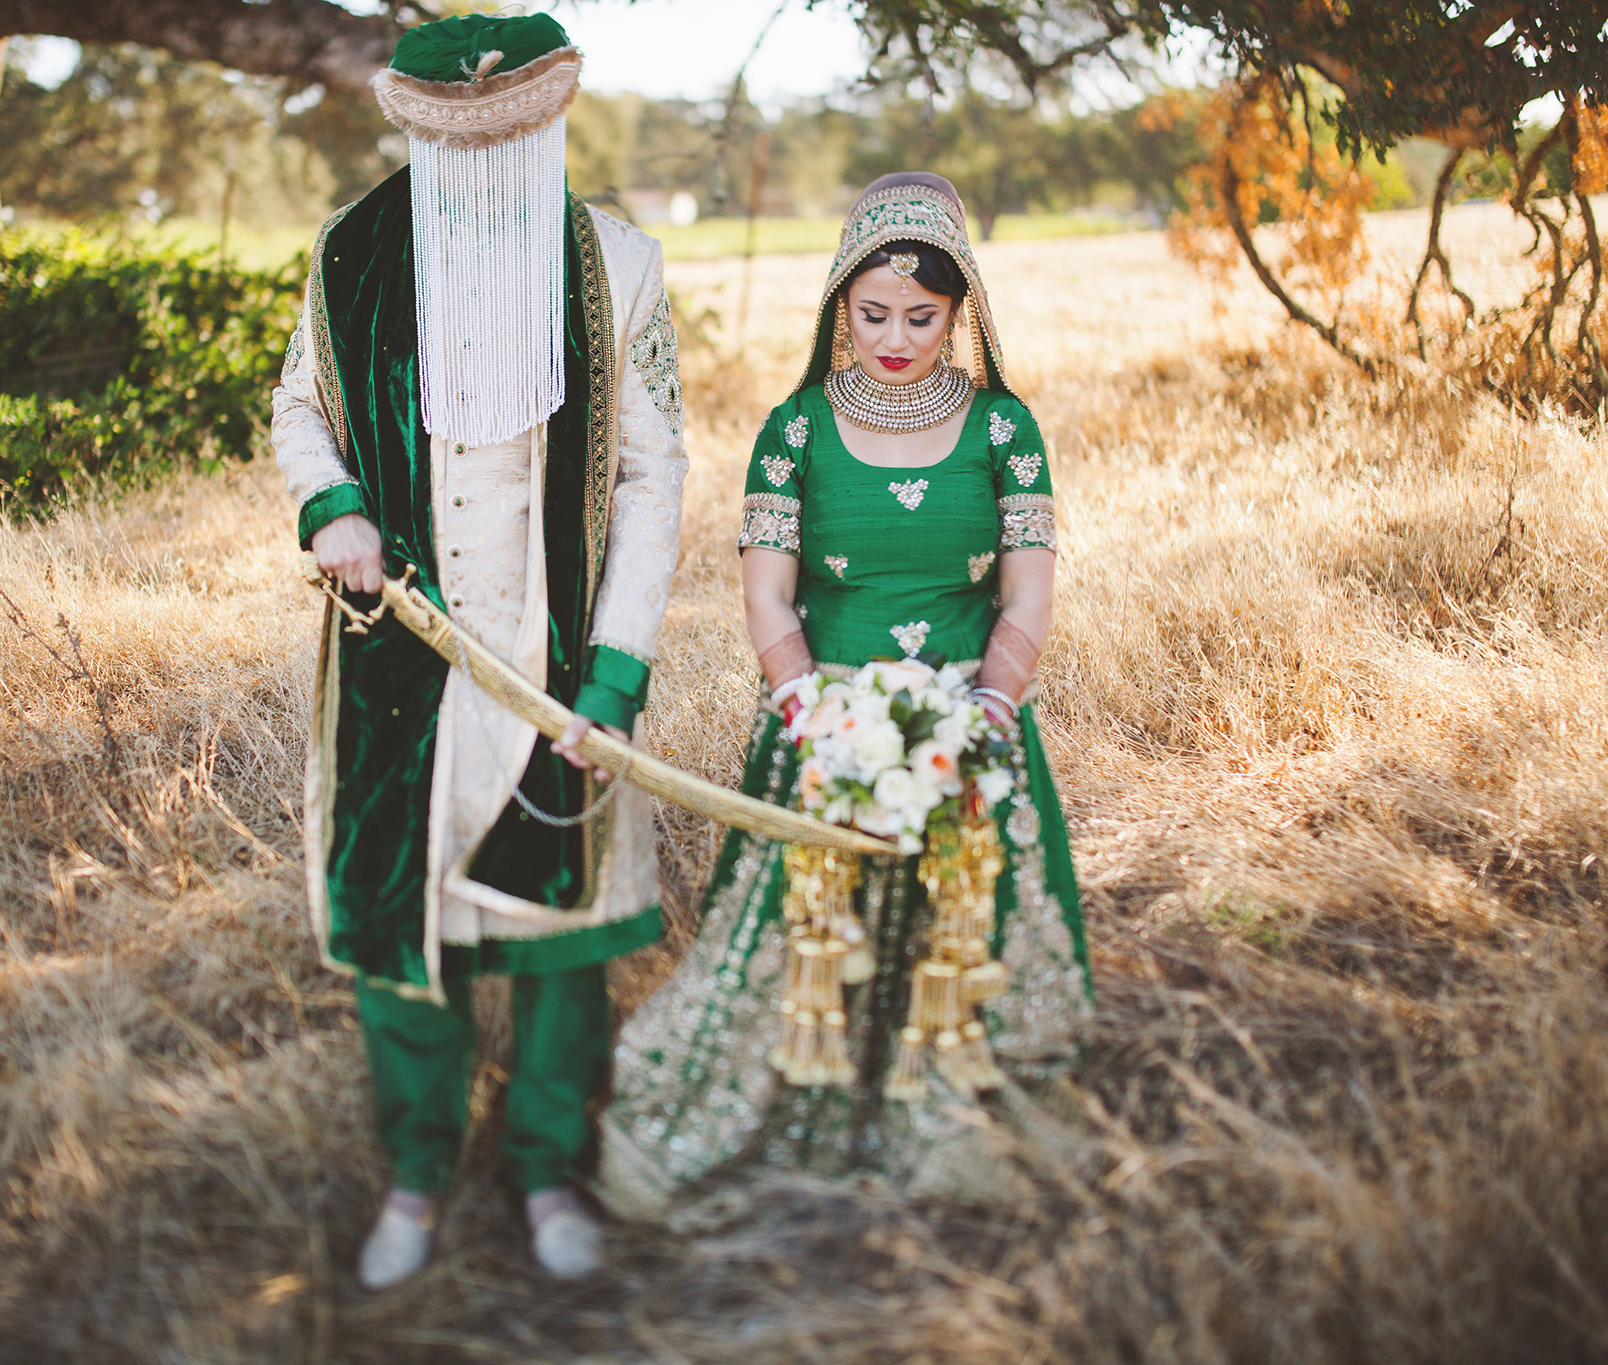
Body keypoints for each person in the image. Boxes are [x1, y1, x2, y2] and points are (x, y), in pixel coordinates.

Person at [269, 14, 687, 1286]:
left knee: (560, 935)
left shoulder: (616, 262)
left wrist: (610, 679)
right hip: (400, 660)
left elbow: (651, 482)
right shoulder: (350, 254)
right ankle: (413, 1174)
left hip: (558, 661)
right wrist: (331, 501)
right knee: (407, 926)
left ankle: (549, 1172)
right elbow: (301, 405)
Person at [597, 174, 1091, 1220]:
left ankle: (946, 1126)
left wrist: (983, 711)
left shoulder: (1004, 429)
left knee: (962, 941)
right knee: (798, 944)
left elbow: (1026, 598)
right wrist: (812, 712)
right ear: (838, 309)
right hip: (818, 731)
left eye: (921, 317)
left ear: (960, 315)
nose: (896, 336)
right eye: (872, 315)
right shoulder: (794, 429)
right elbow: (767, 596)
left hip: (973, 731)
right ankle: (792, 1114)